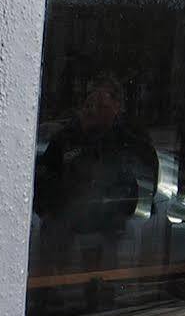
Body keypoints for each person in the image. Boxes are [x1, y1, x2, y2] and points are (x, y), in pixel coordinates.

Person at [33, 75, 160, 276]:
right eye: (89, 104)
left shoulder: (129, 140)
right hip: (66, 227)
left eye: (101, 106)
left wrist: (122, 213)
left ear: (116, 107)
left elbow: (145, 179)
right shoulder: (66, 139)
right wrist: (53, 212)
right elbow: (44, 180)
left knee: (101, 279)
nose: (93, 111)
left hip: (110, 229)